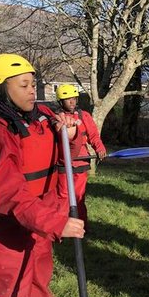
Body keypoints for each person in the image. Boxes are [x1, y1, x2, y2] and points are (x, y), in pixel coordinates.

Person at [0, 54, 85, 297]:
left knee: (38, 288)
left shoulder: (44, 116)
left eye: (32, 84)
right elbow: (8, 193)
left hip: (40, 221)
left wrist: (71, 132)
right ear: (0, 89)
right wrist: (55, 223)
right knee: (8, 296)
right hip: (6, 228)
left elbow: (70, 151)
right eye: (23, 85)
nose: (31, 91)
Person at [54, 84, 106, 229]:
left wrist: (100, 148)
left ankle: (81, 227)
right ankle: (61, 228)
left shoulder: (84, 116)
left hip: (81, 164)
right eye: (67, 99)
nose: (72, 102)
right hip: (63, 164)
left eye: (74, 98)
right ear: (60, 102)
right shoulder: (55, 118)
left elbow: (94, 136)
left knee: (78, 197)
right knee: (63, 198)